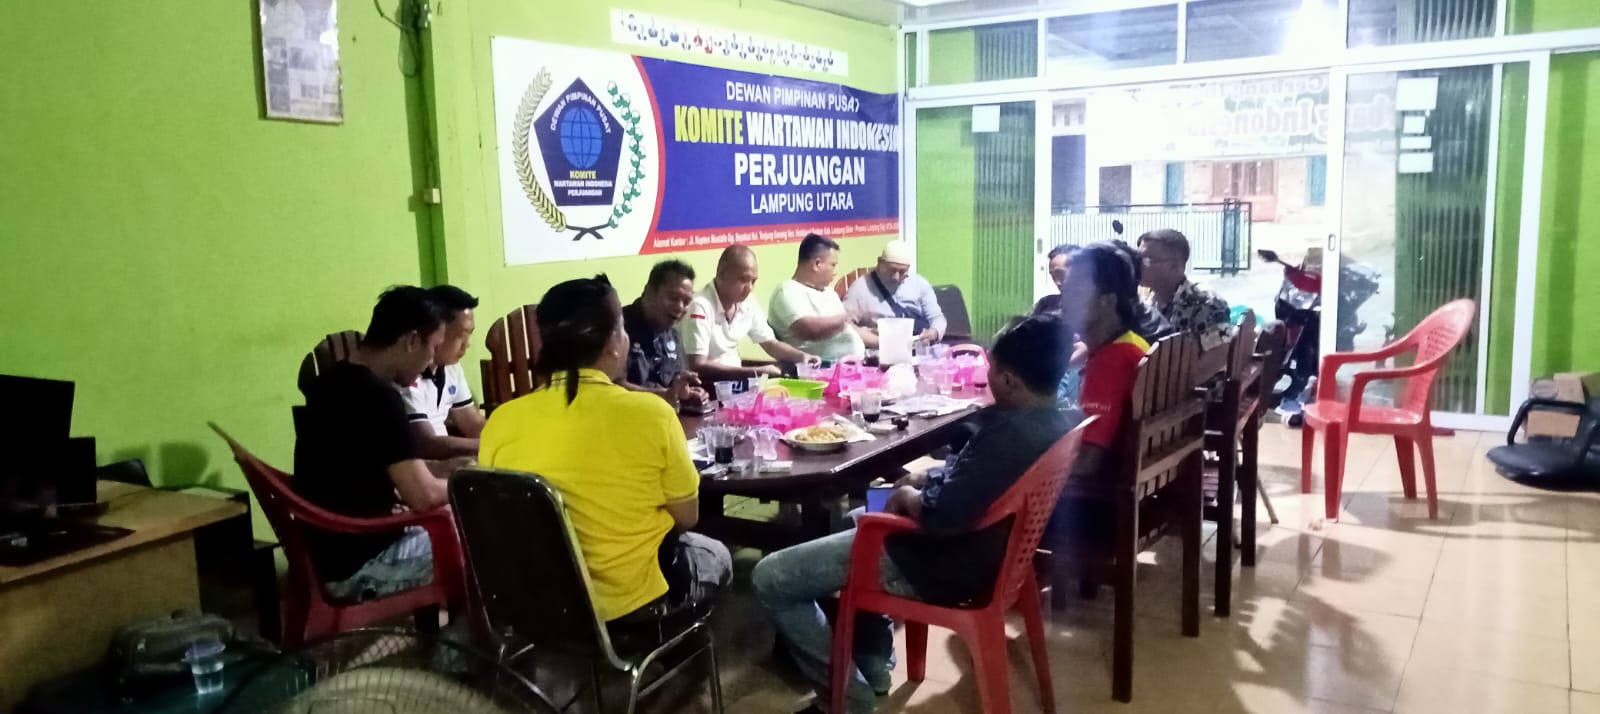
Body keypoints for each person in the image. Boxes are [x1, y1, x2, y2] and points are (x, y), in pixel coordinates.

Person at [752, 317, 1075, 714]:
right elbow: (972, 480)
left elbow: (941, 516)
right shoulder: (1060, 416)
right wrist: (928, 477)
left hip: (942, 562)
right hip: (993, 551)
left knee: (772, 577)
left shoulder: (1010, 435)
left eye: (990, 368)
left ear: (1009, 380)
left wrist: (909, 493)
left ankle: (847, 701)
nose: (986, 376)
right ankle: (875, 665)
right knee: (862, 513)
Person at [479, 275, 731, 625]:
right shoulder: (651, 414)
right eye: (622, 329)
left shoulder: (501, 421)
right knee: (717, 555)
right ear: (613, 343)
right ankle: (681, 649)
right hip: (629, 605)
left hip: (536, 605)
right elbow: (686, 517)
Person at [296, 287, 467, 601]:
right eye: (432, 348)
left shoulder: (331, 382)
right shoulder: (379, 397)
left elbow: (364, 470)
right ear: (411, 340)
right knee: (490, 539)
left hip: (334, 550)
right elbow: (424, 496)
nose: (431, 362)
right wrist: (471, 481)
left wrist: (442, 473)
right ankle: (468, 632)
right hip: (363, 564)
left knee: (467, 524)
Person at [1057, 242, 1150, 478]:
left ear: (1107, 301)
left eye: (1075, 293)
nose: (1063, 303)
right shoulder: (1133, 342)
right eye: (1064, 292)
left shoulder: (1112, 360)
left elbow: (1087, 462)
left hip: (1100, 491)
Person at [682, 245, 817, 382]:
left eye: (753, 281)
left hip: (736, 383)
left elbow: (771, 344)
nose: (749, 288)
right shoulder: (700, 306)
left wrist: (802, 357)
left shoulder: (747, 302)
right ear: (721, 272)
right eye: (743, 280)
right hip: (704, 386)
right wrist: (755, 372)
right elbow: (697, 365)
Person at [400, 285, 485, 460]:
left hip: (450, 461)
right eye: (461, 335)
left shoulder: (452, 368)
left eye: (470, 335)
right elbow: (426, 443)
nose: (467, 344)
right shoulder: (407, 373)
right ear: (438, 330)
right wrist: (488, 445)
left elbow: (473, 423)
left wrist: (509, 439)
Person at [621, 259, 706, 407]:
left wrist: (688, 392)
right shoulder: (617, 330)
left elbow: (676, 385)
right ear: (649, 292)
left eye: (686, 302)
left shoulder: (673, 335)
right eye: (673, 298)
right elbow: (611, 386)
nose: (680, 307)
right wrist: (664, 395)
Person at [769, 234, 868, 361]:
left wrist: (882, 339)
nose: (835, 272)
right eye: (833, 265)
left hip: (855, 363)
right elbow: (810, 330)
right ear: (817, 264)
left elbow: (847, 327)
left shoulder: (829, 292)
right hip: (816, 368)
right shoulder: (787, 291)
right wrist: (845, 317)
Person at [1138, 229, 1232, 350]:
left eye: (1147, 260)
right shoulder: (1144, 302)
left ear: (1176, 266)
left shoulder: (1206, 304)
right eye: (1137, 257)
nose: (1138, 265)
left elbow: (1219, 354)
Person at [842, 240, 945, 344]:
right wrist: (867, 333)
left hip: (916, 344)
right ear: (880, 262)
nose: (896, 277)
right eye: (892, 270)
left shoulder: (919, 284)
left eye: (902, 271)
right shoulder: (860, 288)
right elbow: (844, 325)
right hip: (880, 347)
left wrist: (935, 332)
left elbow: (936, 317)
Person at [1032, 243, 1078, 316]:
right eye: (1053, 276)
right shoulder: (1046, 304)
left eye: (1061, 274)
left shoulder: (1095, 309)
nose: (1057, 282)